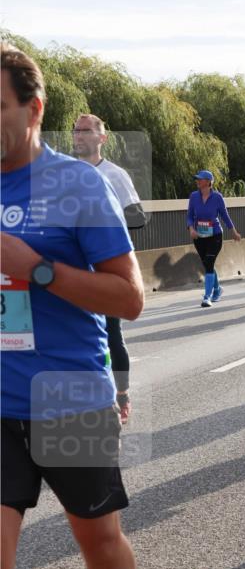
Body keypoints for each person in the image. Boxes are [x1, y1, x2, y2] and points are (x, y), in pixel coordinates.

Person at [1, 45, 145, 569]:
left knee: (99, 540)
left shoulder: (76, 184)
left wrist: (38, 268)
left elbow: (130, 300)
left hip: (71, 395)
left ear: (34, 108)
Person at [72, 113, 147, 424]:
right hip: (73, 268)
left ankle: (121, 393)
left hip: (106, 267)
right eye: (76, 131)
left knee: (111, 332)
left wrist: (98, 223)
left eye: (87, 131)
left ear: (102, 138)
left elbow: (138, 217)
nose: (79, 136)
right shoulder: (65, 173)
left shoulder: (114, 175)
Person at [187, 170, 241, 307]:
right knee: (207, 264)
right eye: (197, 179)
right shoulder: (193, 196)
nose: (197, 181)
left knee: (209, 261)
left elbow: (225, 216)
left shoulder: (217, 197)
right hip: (199, 236)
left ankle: (207, 296)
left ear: (208, 182)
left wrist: (233, 232)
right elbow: (189, 216)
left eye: (200, 179)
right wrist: (191, 228)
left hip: (215, 235)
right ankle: (217, 289)